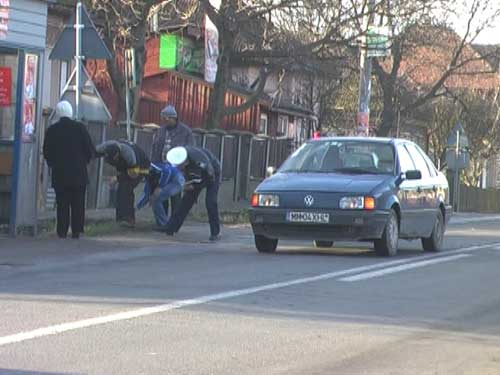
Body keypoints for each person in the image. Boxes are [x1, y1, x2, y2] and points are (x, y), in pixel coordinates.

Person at [43, 101, 95, 239]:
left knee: (62, 204)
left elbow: (46, 152)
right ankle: (77, 231)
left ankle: (62, 231)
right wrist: (85, 161)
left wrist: (53, 164)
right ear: (71, 112)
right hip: (79, 174)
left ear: (58, 113)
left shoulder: (52, 130)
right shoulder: (80, 128)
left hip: (60, 175)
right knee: (78, 203)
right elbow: (90, 150)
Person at [164, 146, 221, 241]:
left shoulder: (201, 162)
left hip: (212, 174)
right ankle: (171, 228)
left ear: (185, 161)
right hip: (195, 175)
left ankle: (215, 232)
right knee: (186, 201)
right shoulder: (179, 155)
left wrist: (194, 186)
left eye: (180, 166)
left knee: (211, 202)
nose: (179, 168)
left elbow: (209, 179)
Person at [150, 104, 195, 220]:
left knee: (175, 195)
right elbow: (155, 149)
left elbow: (190, 151)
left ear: (173, 118)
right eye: (163, 119)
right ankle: (164, 222)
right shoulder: (161, 131)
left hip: (177, 169)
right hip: (162, 168)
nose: (165, 121)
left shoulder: (185, 132)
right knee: (161, 195)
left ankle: (175, 221)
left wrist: (185, 168)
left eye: (167, 118)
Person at [96, 140, 150, 227]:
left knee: (126, 187)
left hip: (140, 167)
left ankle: (129, 219)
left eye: (114, 159)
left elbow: (134, 172)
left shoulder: (129, 155)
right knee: (121, 189)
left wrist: (117, 178)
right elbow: (91, 152)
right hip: (126, 167)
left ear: (118, 154)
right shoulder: (103, 147)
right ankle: (120, 219)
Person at [136, 160, 185, 230]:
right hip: (174, 181)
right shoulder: (149, 180)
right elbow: (146, 194)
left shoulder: (152, 166)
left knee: (155, 199)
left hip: (177, 180)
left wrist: (160, 187)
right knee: (154, 199)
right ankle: (162, 224)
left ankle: (164, 225)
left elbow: (167, 171)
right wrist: (137, 207)